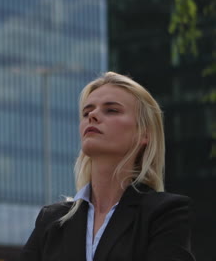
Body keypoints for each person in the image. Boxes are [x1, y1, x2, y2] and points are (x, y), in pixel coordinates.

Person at [20, 72, 195, 261]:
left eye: (111, 110)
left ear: (145, 134)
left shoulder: (164, 213)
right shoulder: (51, 220)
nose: (93, 116)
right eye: (87, 112)